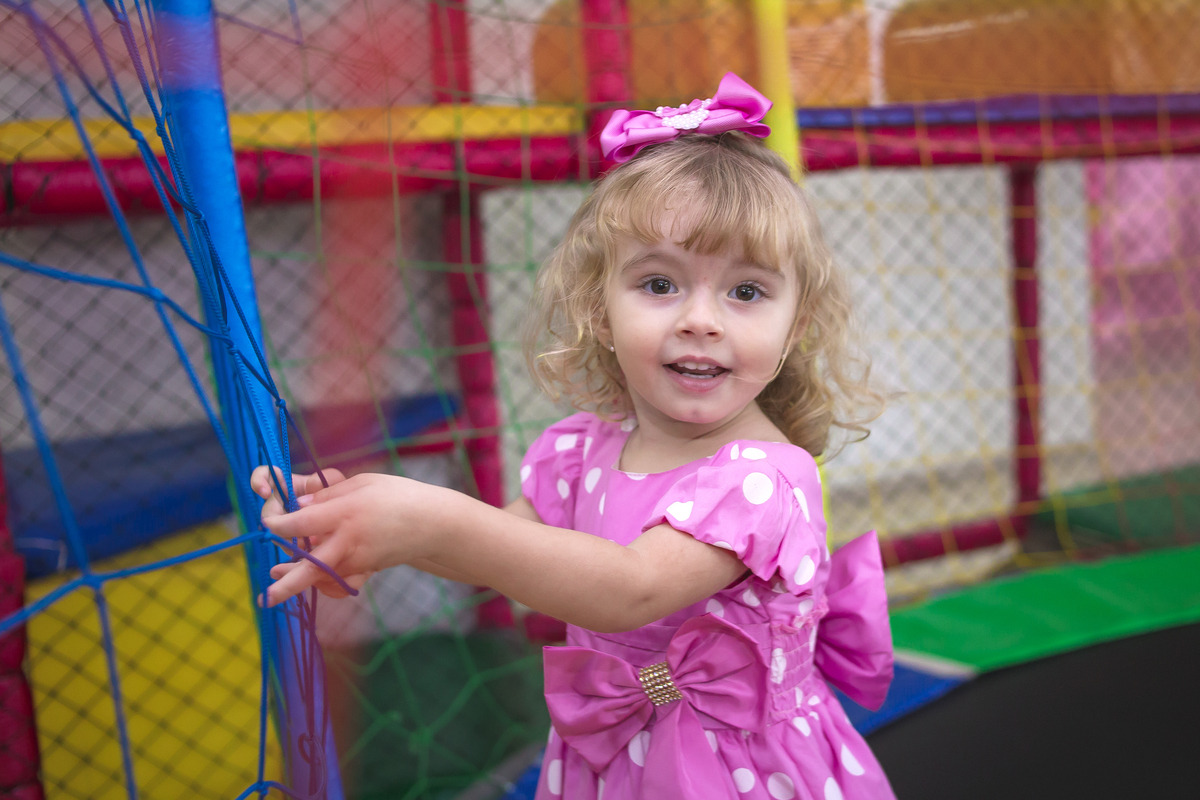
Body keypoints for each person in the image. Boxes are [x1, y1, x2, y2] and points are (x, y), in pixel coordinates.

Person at [253, 73, 895, 800]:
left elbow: (632, 589)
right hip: (611, 751)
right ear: (599, 309)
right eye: (660, 285)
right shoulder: (582, 451)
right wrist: (376, 526)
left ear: (796, 324)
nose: (701, 320)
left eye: (745, 292)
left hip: (740, 769)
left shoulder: (761, 479)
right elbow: (502, 552)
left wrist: (431, 519)